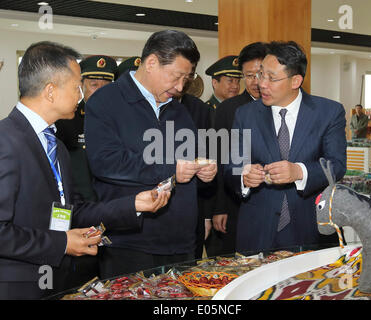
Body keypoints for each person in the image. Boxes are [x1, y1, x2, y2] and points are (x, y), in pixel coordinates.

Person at [0, 41, 171, 300]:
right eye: (76, 86)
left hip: (54, 279)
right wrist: (63, 243)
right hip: (17, 286)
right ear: (50, 91)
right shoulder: (6, 141)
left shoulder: (54, 143)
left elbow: (72, 209)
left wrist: (134, 204)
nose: (81, 95)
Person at [84, 30, 217, 279]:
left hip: (181, 243)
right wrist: (171, 168)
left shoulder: (180, 111)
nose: (180, 87)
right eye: (176, 76)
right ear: (152, 62)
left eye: (186, 79)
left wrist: (205, 173)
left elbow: (191, 161)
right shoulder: (106, 102)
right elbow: (106, 162)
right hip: (129, 241)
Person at [224, 41, 347, 253]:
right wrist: (243, 176)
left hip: (310, 228)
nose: (262, 83)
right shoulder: (245, 115)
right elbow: (231, 166)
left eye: (272, 78)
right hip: (257, 230)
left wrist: (299, 171)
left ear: (295, 81)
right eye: (261, 74)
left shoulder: (328, 112)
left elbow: (336, 165)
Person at [55, 55, 117, 289]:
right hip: (79, 215)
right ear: (81, 85)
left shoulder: (118, 120)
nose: (100, 90)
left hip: (114, 212)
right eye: (94, 84)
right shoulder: (66, 120)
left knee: (113, 282)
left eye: (106, 85)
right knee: (79, 283)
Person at [208, 42, 268, 256]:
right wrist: (219, 208)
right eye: (249, 76)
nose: (256, 82)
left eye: (260, 74)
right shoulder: (229, 109)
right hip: (237, 202)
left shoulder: (282, 106)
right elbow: (219, 159)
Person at [173, 68, 216, 259]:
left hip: (193, 204)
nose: (182, 83)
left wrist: (207, 215)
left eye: (187, 78)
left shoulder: (200, 109)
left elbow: (209, 159)